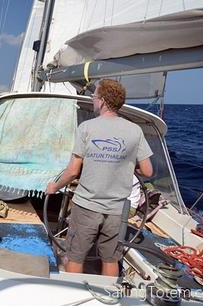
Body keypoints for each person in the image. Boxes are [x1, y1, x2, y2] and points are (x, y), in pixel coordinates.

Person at [45, 79, 153, 277]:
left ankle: (74, 294)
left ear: (102, 101)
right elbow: (147, 171)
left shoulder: (87, 128)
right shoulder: (135, 131)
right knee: (111, 259)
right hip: (116, 210)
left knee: (75, 256)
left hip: (86, 207)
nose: (93, 101)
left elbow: (72, 172)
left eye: (94, 97)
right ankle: (109, 297)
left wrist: (54, 187)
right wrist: (123, 162)